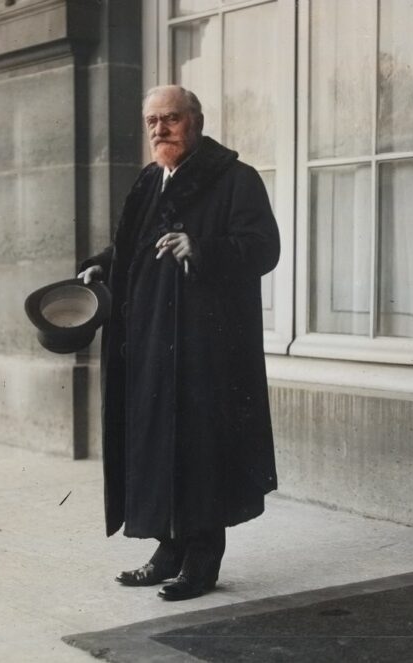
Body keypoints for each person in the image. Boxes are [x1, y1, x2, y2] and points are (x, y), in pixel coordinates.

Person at [78, 85, 280, 601]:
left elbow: (264, 248)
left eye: (170, 118)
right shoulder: (151, 179)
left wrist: (202, 248)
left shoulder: (236, 178)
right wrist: (103, 264)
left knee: (202, 451)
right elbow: (133, 246)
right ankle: (167, 552)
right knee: (158, 448)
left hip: (205, 349)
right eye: (152, 121)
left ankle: (201, 562)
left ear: (197, 121)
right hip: (150, 342)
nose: (159, 129)